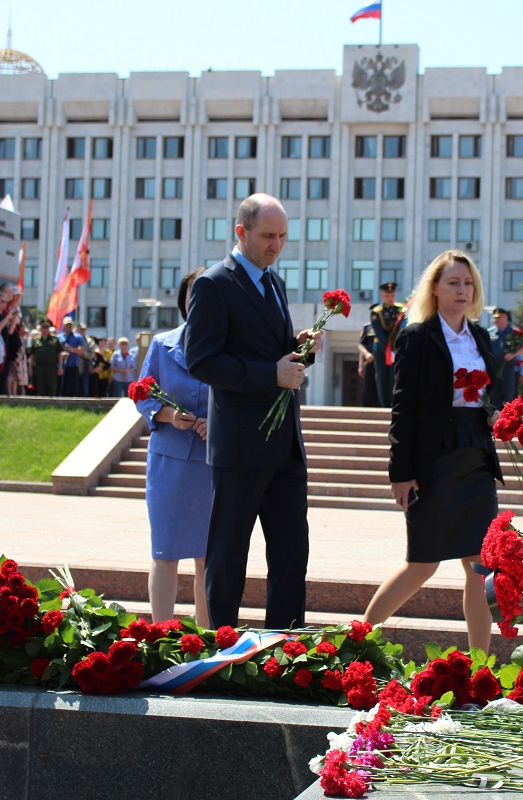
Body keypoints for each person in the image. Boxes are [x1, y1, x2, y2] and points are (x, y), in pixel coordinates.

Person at [184, 193, 321, 629]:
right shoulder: (213, 284)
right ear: (241, 232)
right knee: (229, 555)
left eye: (282, 236)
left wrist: (300, 351)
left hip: (284, 446)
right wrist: (269, 374)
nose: (276, 245)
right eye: (268, 236)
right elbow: (201, 361)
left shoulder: (273, 281)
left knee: (291, 553)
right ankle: (220, 646)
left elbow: (272, 356)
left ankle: (285, 646)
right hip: (240, 447)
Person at [363, 250, 502, 652]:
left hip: (475, 456)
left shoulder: (480, 335)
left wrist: (497, 415)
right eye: (453, 283)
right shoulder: (417, 335)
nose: (462, 290)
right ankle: (356, 641)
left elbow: (488, 394)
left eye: (468, 283)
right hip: (433, 460)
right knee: (422, 562)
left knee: (480, 566)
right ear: (436, 289)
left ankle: (480, 668)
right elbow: (403, 406)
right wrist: (400, 472)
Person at [137, 268, 211, 625]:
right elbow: (141, 395)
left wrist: (220, 425)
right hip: (169, 462)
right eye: (192, 294)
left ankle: (210, 642)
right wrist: (167, 414)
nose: (199, 302)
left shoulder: (229, 349)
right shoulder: (161, 345)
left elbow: (246, 399)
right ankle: (159, 635)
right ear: (183, 300)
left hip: (215, 465)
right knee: (165, 552)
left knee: (208, 559)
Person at [369, 282, 406, 407]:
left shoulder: (400, 309)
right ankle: (384, 403)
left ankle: (393, 401)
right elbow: (379, 333)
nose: (390, 298)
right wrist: (388, 350)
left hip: (396, 347)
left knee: (394, 376)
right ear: (382, 296)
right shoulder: (376, 311)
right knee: (382, 375)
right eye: (387, 296)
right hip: (381, 347)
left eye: (392, 296)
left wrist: (396, 348)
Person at [487, 307, 523, 408]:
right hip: (493, 370)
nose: (497, 320)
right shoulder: (489, 333)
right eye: (495, 318)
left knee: (509, 398)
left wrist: (513, 354)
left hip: (507, 370)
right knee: (494, 398)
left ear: (506, 318)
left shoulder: (513, 334)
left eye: (500, 317)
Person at [30, 320, 61, 396]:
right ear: (40, 328)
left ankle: (52, 404)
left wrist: (60, 367)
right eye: (43, 327)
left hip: (51, 367)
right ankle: (41, 404)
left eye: (47, 327)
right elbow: (32, 355)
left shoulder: (54, 340)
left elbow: (60, 353)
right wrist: (30, 368)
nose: (45, 329)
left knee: (51, 386)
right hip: (39, 367)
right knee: (40, 386)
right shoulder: (36, 340)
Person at [59, 317, 85, 397]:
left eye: (70, 325)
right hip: (62, 365)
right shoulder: (59, 337)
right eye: (67, 325)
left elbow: (81, 350)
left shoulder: (78, 337)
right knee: (63, 385)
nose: (68, 327)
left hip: (73, 364)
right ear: (63, 326)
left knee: (73, 385)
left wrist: (72, 350)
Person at [357, 321, 379, 407]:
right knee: (368, 388)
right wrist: (360, 365)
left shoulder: (390, 323)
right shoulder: (368, 327)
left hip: (385, 362)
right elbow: (361, 345)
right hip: (370, 362)